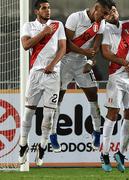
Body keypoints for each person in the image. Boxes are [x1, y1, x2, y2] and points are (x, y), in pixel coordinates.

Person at [49, 0, 110, 152]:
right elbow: (67, 45)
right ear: (96, 8)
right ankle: (53, 134)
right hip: (65, 61)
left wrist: (89, 60)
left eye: (107, 14)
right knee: (58, 98)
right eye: (103, 13)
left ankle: (96, 132)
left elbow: (95, 46)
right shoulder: (75, 18)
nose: (104, 17)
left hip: (82, 63)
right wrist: (85, 52)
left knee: (93, 96)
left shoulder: (100, 23)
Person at [19, 0, 66, 166]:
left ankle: (42, 146)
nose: (48, 11)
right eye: (44, 8)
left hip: (53, 75)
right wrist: (44, 33)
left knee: (49, 116)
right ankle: (23, 144)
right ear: (36, 11)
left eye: (49, 8)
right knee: (28, 112)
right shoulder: (28, 26)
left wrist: (53, 64)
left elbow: (62, 48)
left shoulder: (58, 25)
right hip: (35, 74)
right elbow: (25, 45)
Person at [100, 0, 129, 173]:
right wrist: (126, 63)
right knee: (112, 113)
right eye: (108, 12)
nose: (112, 13)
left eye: (114, 10)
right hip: (116, 76)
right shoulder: (104, 29)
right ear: (105, 15)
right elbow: (106, 53)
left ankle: (120, 153)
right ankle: (104, 154)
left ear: (117, 11)